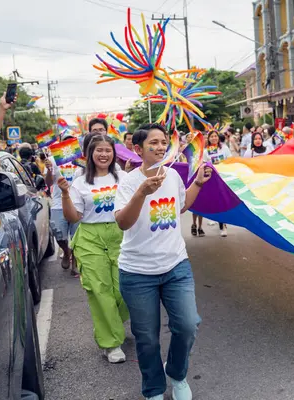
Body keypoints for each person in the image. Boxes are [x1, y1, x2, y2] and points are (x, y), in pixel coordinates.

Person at [114, 123, 212, 400]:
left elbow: (179, 206)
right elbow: (123, 222)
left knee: (188, 324)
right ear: (138, 149)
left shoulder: (172, 176)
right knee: (146, 339)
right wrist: (142, 193)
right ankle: (153, 389)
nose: (159, 148)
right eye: (152, 144)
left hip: (176, 266)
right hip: (137, 273)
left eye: (162, 143)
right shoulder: (130, 181)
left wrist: (197, 184)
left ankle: (177, 374)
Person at [56, 135, 129, 363]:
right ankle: (111, 343)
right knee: (100, 291)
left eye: (108, 150)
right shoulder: (80, 183)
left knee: (124, 291)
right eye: (99, 150)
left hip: (122, 236)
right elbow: (73, 216)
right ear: (89, 154)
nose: (104, 154)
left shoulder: (124, 178)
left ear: (113, 153)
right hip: (90, 238)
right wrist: (66, 195)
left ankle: (109, 325)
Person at [45, 130, 81, 276]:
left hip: (78, 203)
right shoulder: (53, 160)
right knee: (59, 234)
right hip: (58, 204)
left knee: (77, 236)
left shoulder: (81, 159)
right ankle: (66, 252)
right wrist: (48, 170)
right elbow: (48, 183)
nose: (69, 142)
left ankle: (75, 264)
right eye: (66, 140)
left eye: (72, 140)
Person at [203, 129, 232, 237]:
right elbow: (204, 163)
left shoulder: (224, 148)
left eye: (216, 136)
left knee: (223, 201)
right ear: (208, 139)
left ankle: (223, 225)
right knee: (215, 201)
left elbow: (230, 160)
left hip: (223, 178)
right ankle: (217, 221)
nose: (214, 138)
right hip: (212, 178)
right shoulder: (206, 151)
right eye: (212, 136)